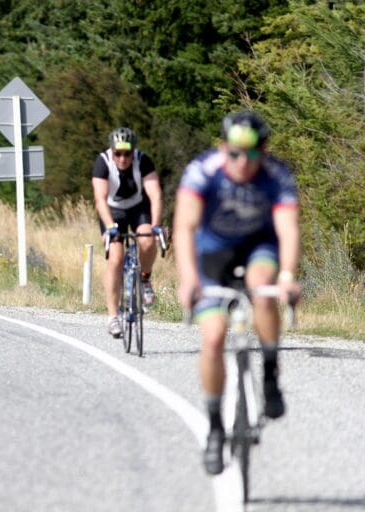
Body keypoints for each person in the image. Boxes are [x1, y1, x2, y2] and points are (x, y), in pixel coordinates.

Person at [173, 111, 301, 475]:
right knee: (213, 338)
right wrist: (187, 280)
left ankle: (270, 372)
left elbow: (288, 229)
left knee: (263, 288)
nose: (243, 163)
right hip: (212, 253)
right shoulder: (202, 171)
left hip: (259, 246)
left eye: (252, 154)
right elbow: (184, 228)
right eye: (234, 153)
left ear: (264, 151)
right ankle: (215, 428)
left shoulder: (278, 176)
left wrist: (288, 276)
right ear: (223, 147)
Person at [91, 127, 164, 338]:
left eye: (127, 154)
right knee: (116, 257)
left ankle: (145, 278)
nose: (123, 159)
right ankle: (113, 316)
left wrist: (156, 225)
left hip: (138, 207)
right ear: (112, 151)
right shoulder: (102, 162)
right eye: (118, 154)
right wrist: (110, 227)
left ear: (134, 152)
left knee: (148, 240)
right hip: (112, 211)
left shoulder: (144, 161)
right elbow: (100, 198)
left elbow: (156, 195)